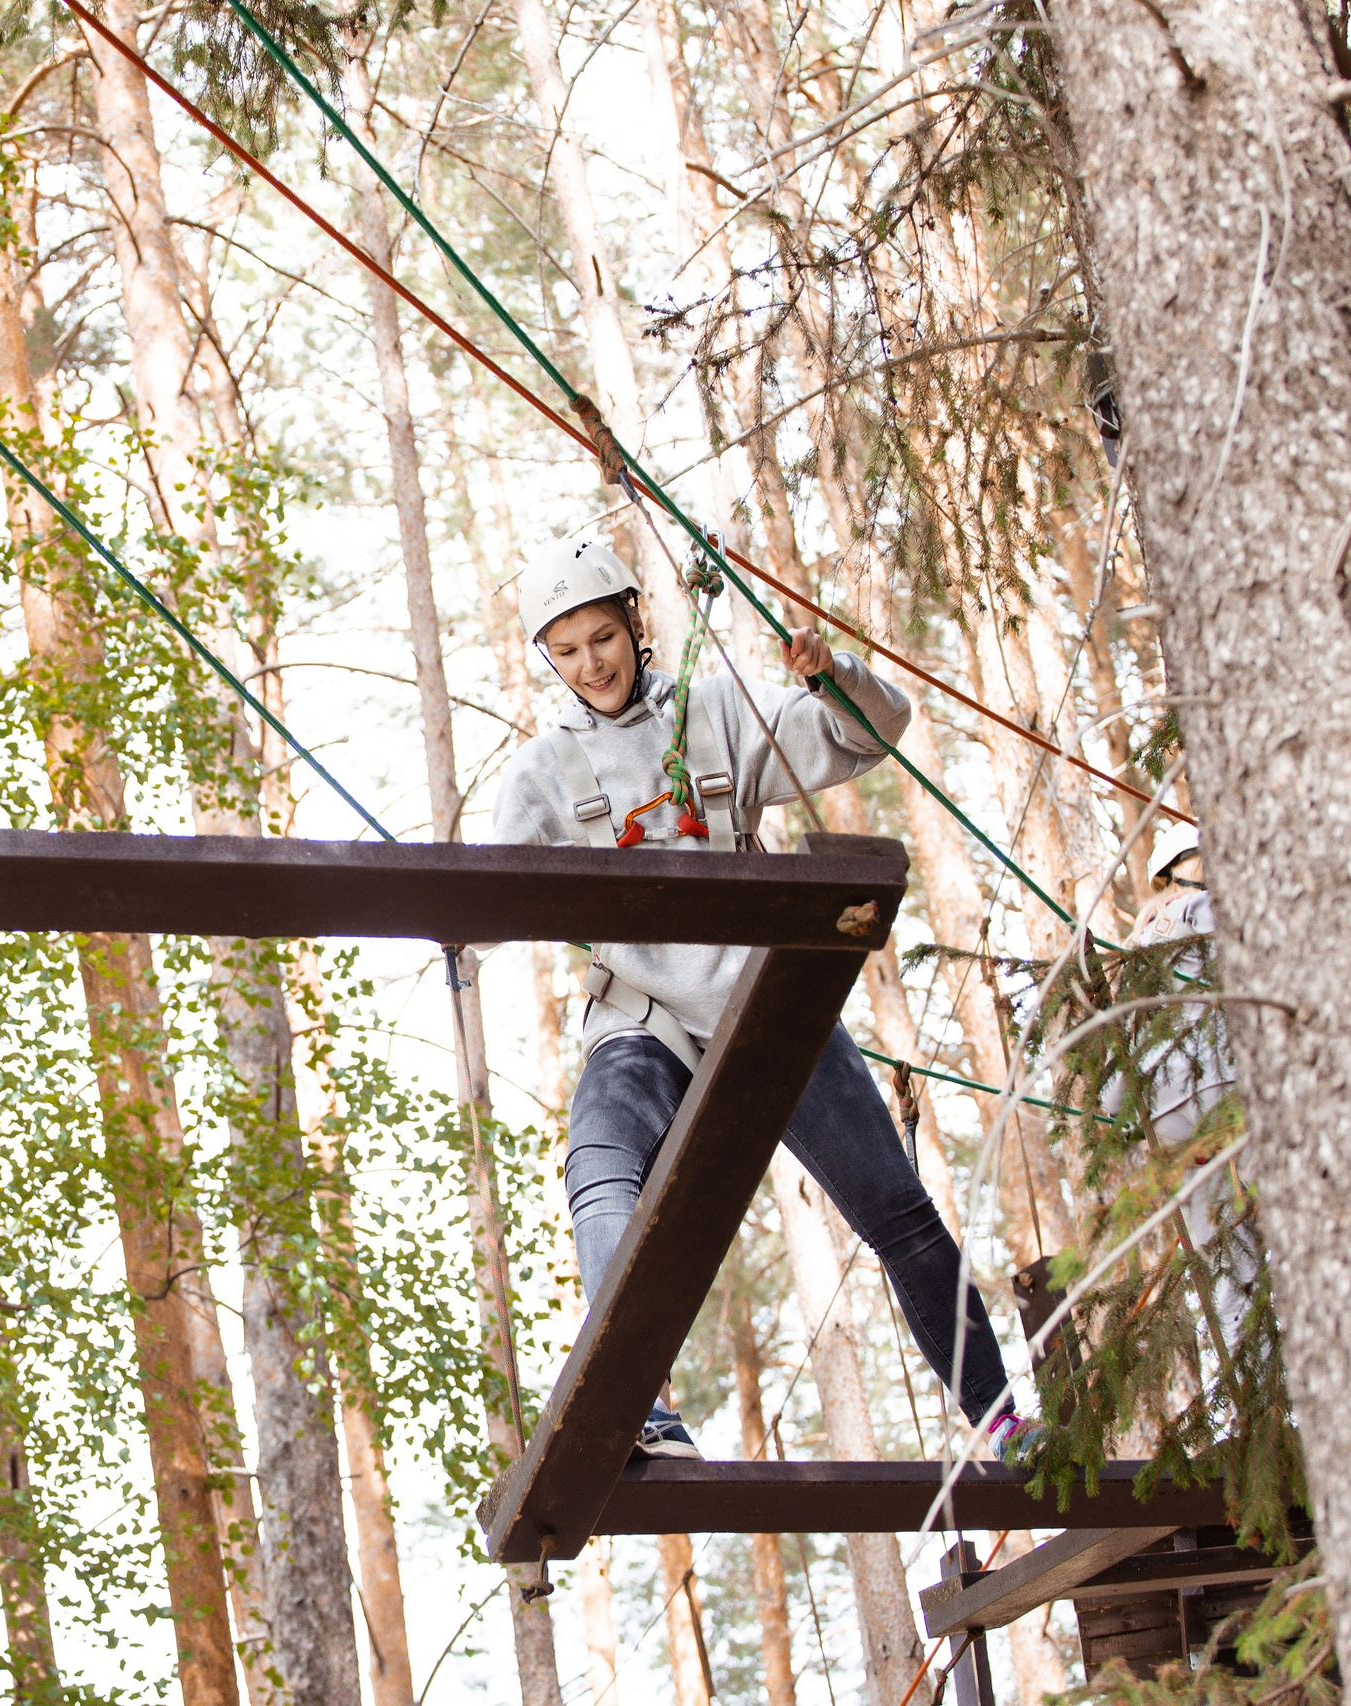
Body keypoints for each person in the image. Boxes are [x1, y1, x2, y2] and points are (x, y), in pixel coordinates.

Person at [491, 537, 1039, 1462]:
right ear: (549, 659)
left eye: (604, 638)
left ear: (635, 623)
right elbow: (490, 897)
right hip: (643, 1016)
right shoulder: (542, 775)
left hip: (762, 1002)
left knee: (893, 1205)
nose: (593, 665)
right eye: (568, 650)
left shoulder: (714, 714)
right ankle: (638, 1408)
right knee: (601, 1165)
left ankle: (999, 1418)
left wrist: (834, 678)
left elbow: (871, 734)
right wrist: (447, 917)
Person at [1111, 822, 1262, 1352]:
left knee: (1227, 1265)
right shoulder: (1204, 909)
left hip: (1169, 1120)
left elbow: (1120, 1047)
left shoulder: (1137, 944)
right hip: (1220, 1089)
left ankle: (1253, 1377)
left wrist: (1125, 1118)